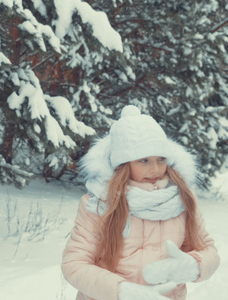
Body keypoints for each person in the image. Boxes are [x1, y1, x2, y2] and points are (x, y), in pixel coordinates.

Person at [61, 105, 220, 300]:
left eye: (161, 159)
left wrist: (195, 265)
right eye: (143, 160)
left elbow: (208, 250)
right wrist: (120, 291)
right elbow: (74, 263)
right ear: (123, 164)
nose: (155, 169)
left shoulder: (182, 199)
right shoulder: (99, 203)